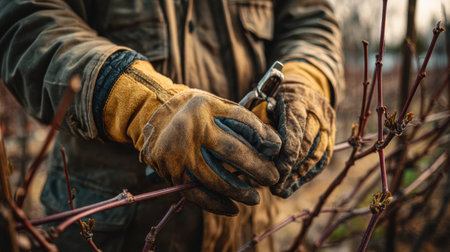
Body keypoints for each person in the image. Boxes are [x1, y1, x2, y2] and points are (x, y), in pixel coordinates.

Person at [0, 0, 343, 251]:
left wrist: (307, 77)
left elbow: (308, 17)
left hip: (249, 229)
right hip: (110, 232)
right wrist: (138, 101)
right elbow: (28, 21)